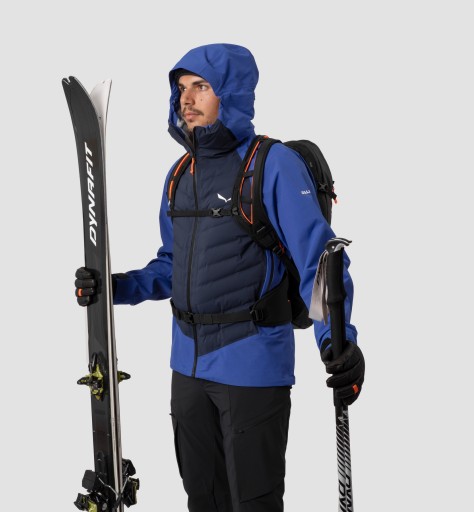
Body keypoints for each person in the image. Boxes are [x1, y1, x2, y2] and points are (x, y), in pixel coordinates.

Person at [74, 43, 365, 512]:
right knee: (203, 499)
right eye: (181, 88)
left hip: (251, 364)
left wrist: (337, 339)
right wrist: (118, 287)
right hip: (187, 368)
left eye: (201, 87)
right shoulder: (180, 174)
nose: (186, 99)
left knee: (253, 502)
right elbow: (172, 264)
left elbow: (320, 259)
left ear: (231, 93)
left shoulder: (271, 164)